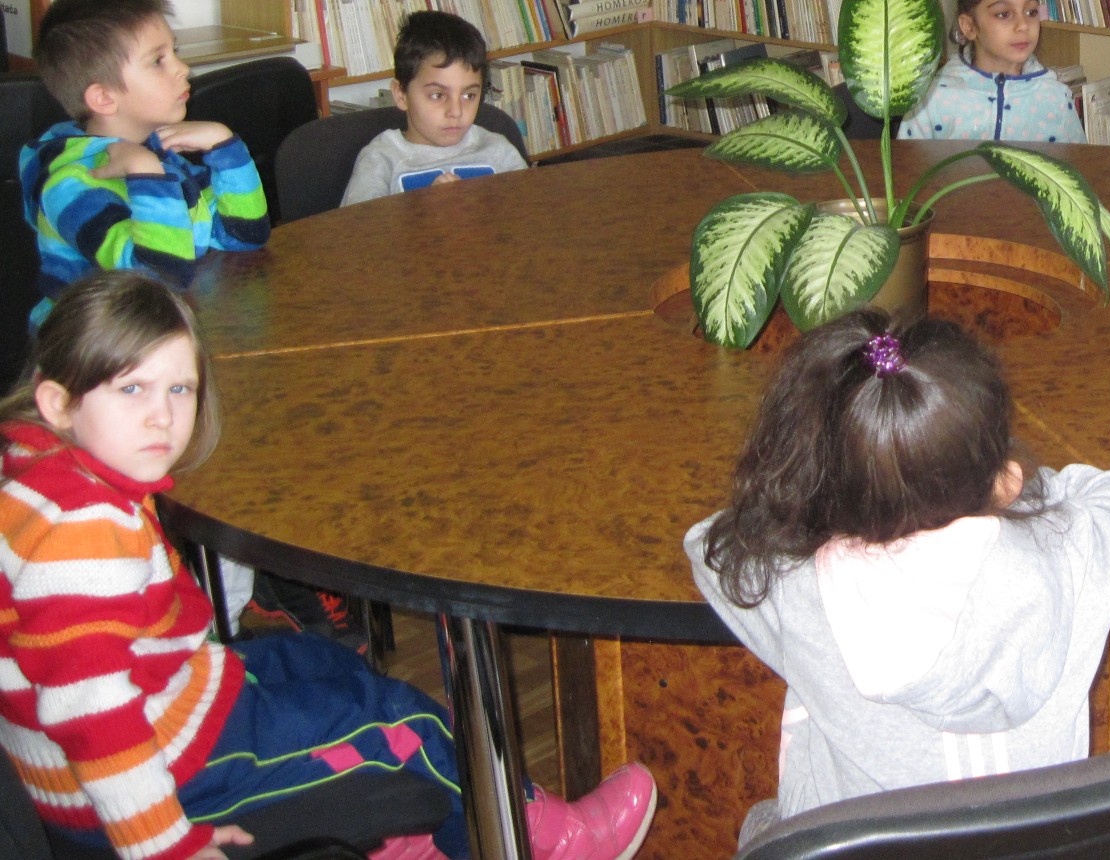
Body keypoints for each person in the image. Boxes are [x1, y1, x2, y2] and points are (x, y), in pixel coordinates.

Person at [0, 270, 659, 860]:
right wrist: (162, 844)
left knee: (323, 661)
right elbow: (92, 713)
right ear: (58, 403)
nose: (162, 417)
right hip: (151, 774)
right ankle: (545, 842)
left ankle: (408, 836)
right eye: (132, 389)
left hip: (138, 728)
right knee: (402, 722)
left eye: (179, 388)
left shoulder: (40, 478)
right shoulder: (85, 533)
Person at [685, 311, 1110, 845]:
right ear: (1002, 478)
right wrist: (1027, 493)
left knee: (765, 824)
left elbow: (710, 547)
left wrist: (810, 501)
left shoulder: (798, 592)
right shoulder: (1072, 553)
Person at [21, 0, 267, 331]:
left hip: (161, 333)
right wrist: (146, 173)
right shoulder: (72, 184)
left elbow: (244, 235)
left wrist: (224, 146)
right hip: (91, 350)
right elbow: (155, 282)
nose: (183, 68)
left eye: (175, 52)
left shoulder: (159, 152)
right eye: (158, 61)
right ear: (104, 98)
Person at [341, 11, 527, 206]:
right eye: (438, 95)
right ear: (401, 95)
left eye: (468, 96)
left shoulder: (498, 151)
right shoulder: (382, 160)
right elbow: (359, 224)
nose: (456, 112)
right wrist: (427, 209)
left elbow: (531, 212)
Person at [899, 0, 1083, 142]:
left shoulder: (1055, 98)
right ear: (969, 26)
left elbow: (1078, 158)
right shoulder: (934, 97)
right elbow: (908, 159)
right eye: (1004, 14)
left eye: (1031, 12)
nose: (1023, 25)